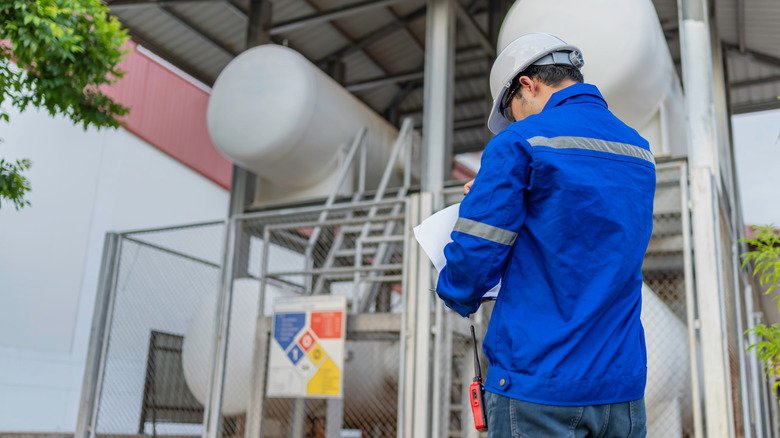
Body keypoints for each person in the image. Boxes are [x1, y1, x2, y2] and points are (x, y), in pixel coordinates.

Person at [435, 33, 655, 437]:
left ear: (527, 84)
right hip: (622, 389)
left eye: (514, 111)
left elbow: (474, 258)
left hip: (538, 387)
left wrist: (455, 292)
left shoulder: (519, 142)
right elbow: (580, 237)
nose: (518, 121)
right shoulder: (638, 150)